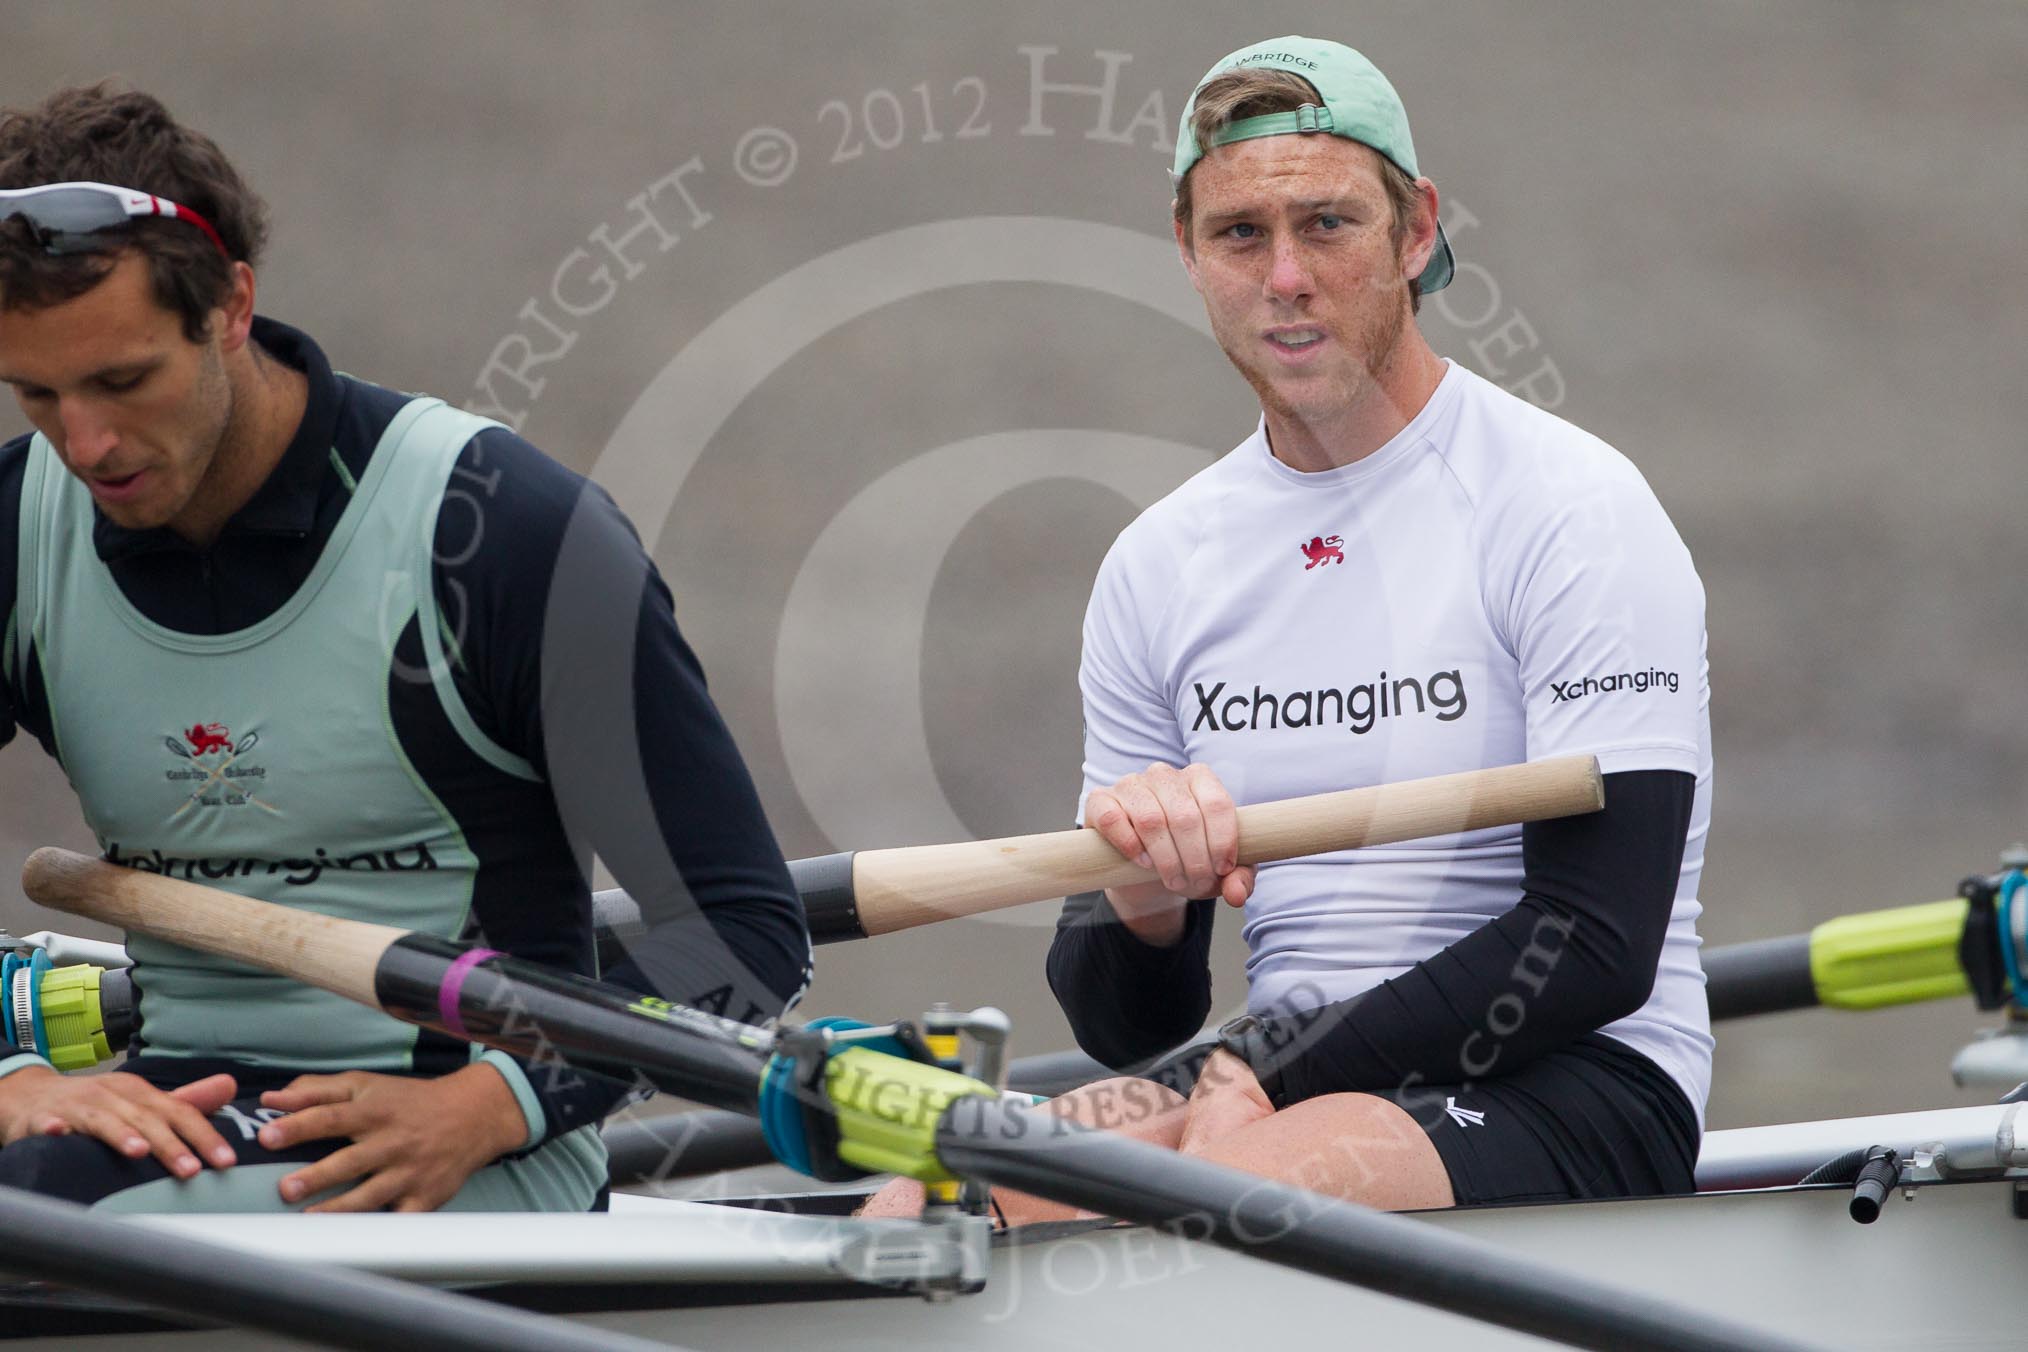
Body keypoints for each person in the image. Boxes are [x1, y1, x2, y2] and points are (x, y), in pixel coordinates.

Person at [867, 35, 1712, 1221]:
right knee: (925, 1198)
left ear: (1415, 230)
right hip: (1266, 1072)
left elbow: (1596, 938)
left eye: (1327, 225)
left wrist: (1260, 1069)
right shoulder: (1164, 562)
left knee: (1222, 1188)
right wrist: (1146, 897)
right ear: (1189, 252)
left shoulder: (1569, 507)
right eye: (1241, 235)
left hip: (1572, 1077)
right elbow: (1125, 1022)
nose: (1286, 277)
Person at [0, 85, 810, 1213]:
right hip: (162, 1116)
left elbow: (740, 932)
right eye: (37, 393)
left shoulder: (502, 533)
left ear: (231, 304)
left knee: (36, 1200)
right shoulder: (16, 530)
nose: (85, 442)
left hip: (467, 1136)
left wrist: (490, 1106)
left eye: (124, 381)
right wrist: (16, 1080)